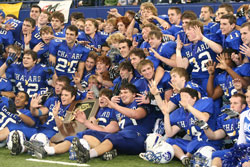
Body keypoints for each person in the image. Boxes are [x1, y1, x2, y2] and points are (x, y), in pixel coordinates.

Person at [72, 83, 156, 163]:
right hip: (122, 137)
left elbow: (136, 114)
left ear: (134, 94)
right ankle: (106, 152)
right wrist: (85, 122)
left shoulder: (140, 102)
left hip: (139, 137)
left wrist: (114, 105)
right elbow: (107, 130)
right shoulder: (117, 110)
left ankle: (88, 154)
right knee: (88, 133)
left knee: (114, 137)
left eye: (126, 92)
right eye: (121, 93)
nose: (122, 95)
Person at [24, 88, 118, 159]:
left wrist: (92, 124)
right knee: (72, 139)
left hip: (100, 137)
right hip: (83, 134)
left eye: (105, 98)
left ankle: (45, 149)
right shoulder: (95, 109)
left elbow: (110, 130)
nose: (101, 99)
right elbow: (37, 113)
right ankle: (44, 149)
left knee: (79, 137)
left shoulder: (113, 111)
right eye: (100, 97)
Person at [150, 86, 221, 166]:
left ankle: (189, 155)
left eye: (185, 97)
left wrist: (188, 107)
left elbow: (204, 118)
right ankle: (184, 158)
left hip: (209, 143)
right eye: (181, 97)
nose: (182, 99)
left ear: (194, 98)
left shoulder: (204, 102)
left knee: (194, 144)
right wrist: (166, 114)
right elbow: (170, 133)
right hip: (193, 143)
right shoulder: (181, 113)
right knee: (169, 141)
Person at [176, 20, 223, 91]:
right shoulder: (188, 48)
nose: (186, 32)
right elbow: (181, 67)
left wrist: (203, 38)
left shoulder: (209, 37)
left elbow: (219, 50)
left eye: (189, 29)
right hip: (195, 80)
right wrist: (178, 50)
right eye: (185, 30)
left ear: (197, 29)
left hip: (209, 77)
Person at [202, 94, 247, 167]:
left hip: (247, 149)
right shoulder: (226, 118)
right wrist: (205, 127)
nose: (232, 106)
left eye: (235, 103)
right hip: (237, 150)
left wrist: (238, 116)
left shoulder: (247, 115)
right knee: (216, 155)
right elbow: (214, 136)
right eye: (231, 103)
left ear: (243, 106)